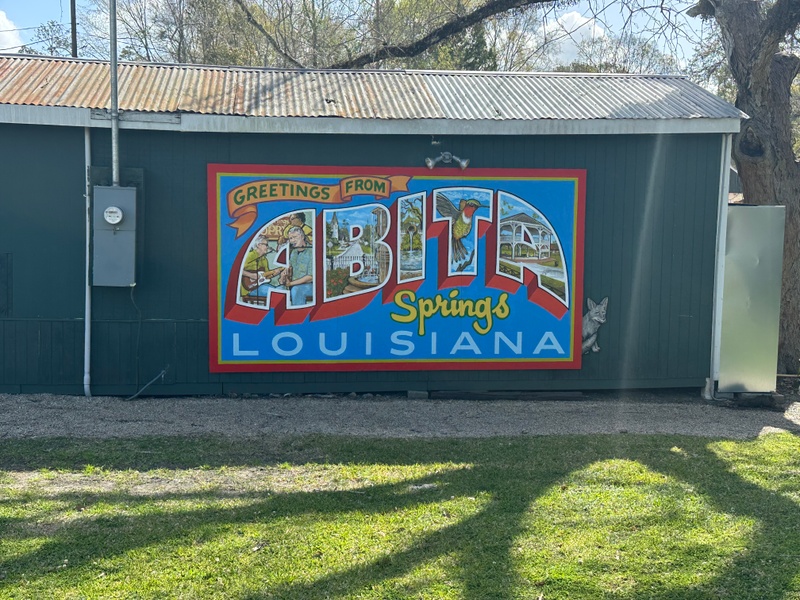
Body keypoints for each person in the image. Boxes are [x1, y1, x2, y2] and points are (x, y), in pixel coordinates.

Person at [280, 226, 314, 305]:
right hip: (294, 284)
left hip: (310, 286)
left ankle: (298, 316)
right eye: (290, 238)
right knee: (279, 289)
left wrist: (291, 284)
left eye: (295, 237)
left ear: (302, 237)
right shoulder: (294, 252)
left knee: (296, 290)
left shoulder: (311, 252)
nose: (292, 240)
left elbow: (310, 277)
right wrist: (283, 275)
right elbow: (289, 267)